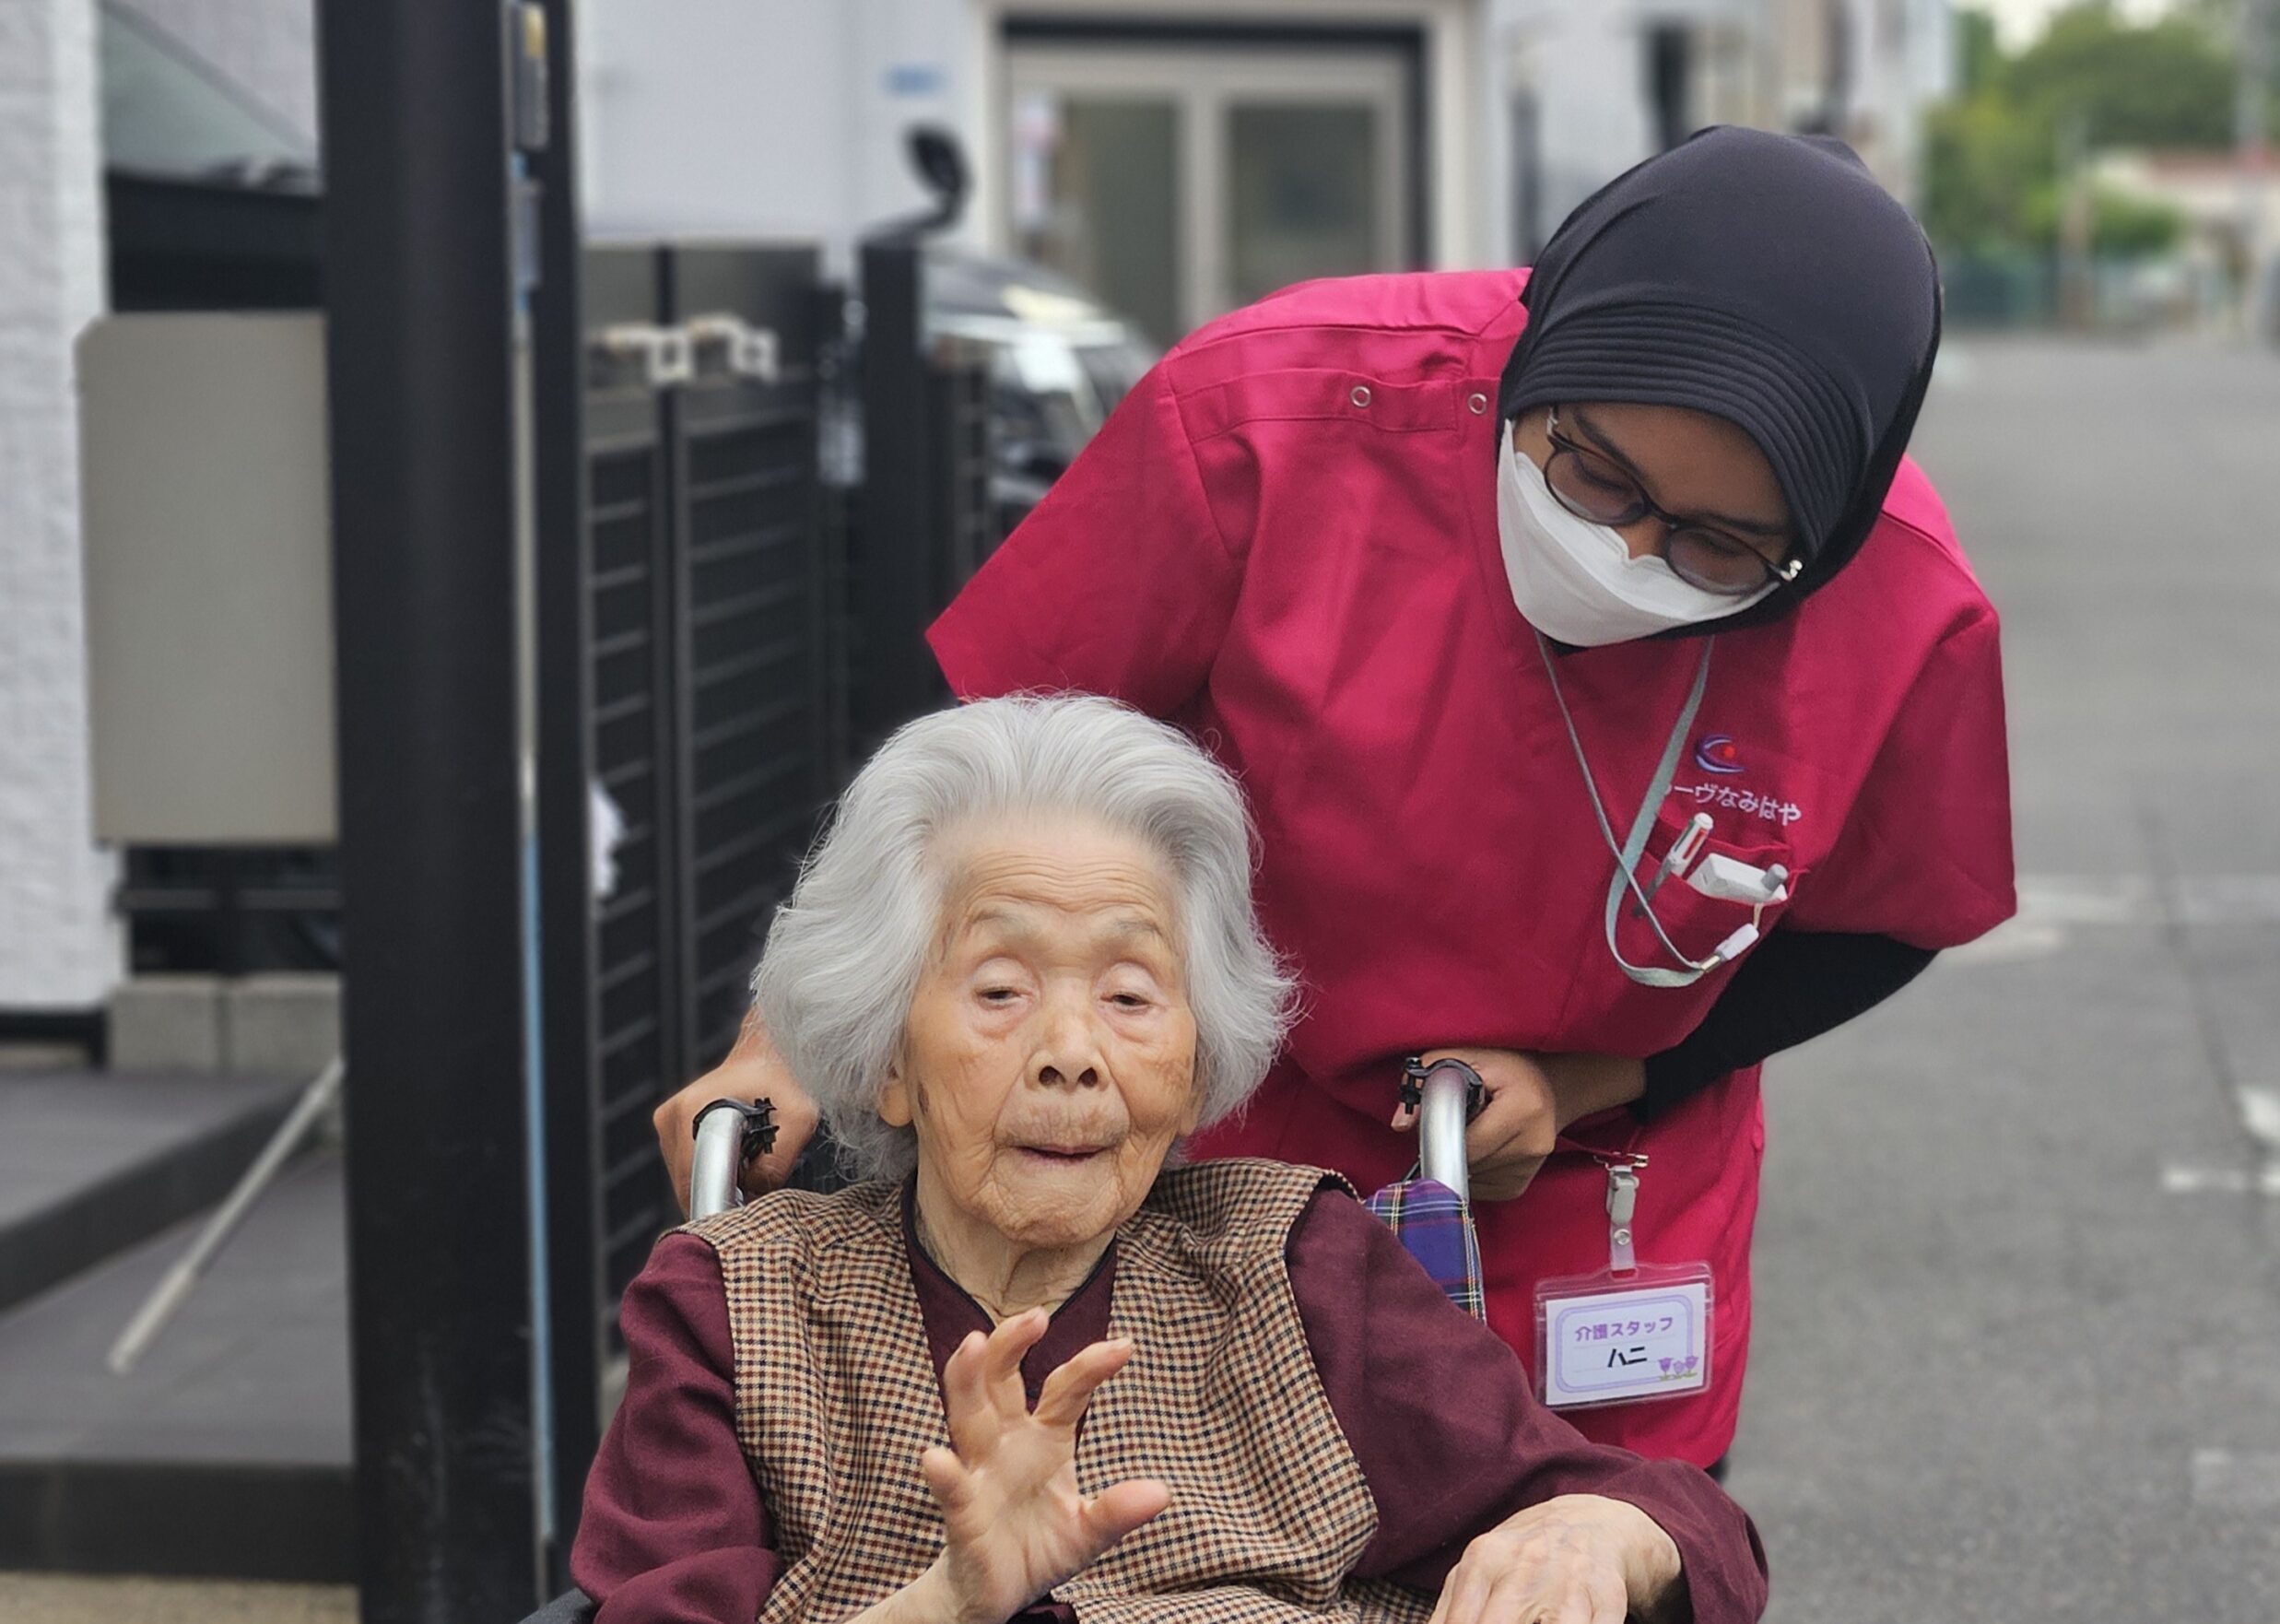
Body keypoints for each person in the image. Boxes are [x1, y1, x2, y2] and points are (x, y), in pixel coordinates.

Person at [653, 128, 2016, 1468]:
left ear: (1816, 548)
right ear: (1529, 358)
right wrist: (790, 1038)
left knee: (1577, 1534)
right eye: (1590, 473)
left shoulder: (1905, 607)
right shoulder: (1270, 415)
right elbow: (975, 776)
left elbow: (1886, 918)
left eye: (1716, 545)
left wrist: (1597, 1077)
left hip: (1591, 1189)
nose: (1628, 547)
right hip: (1224, 1159)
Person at [578, 696, 1768, 1624]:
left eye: (1132, 994)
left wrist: (1595, 1532)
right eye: (1000, 989)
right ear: (888, 1054)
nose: (1070, 1054)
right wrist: (950, 1597)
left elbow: (1664, 1514)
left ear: (1197, 1063)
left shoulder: (1296, 1271)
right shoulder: (735, 1305)